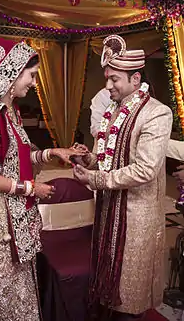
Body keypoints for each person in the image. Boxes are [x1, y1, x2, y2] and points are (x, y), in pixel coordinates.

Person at [0, 37, 85, 320]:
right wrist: (32, 188)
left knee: (16, 287)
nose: (33, 83)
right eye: (31, 76)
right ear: (12, 71)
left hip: (12, 214)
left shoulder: (11, 113)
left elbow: (19, 158)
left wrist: (54, 152)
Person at [73, 34, 173, 320]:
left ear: (135, 78)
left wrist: (97, 180)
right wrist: (89, 160)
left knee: (129, 295)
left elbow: (146, 169)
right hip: (109, 214)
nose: (108, 85)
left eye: (114, 79)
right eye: (107, 78)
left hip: (135, 218)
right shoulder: (112, 110)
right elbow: (109, 158)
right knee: (108, 290)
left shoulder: (156, 113)